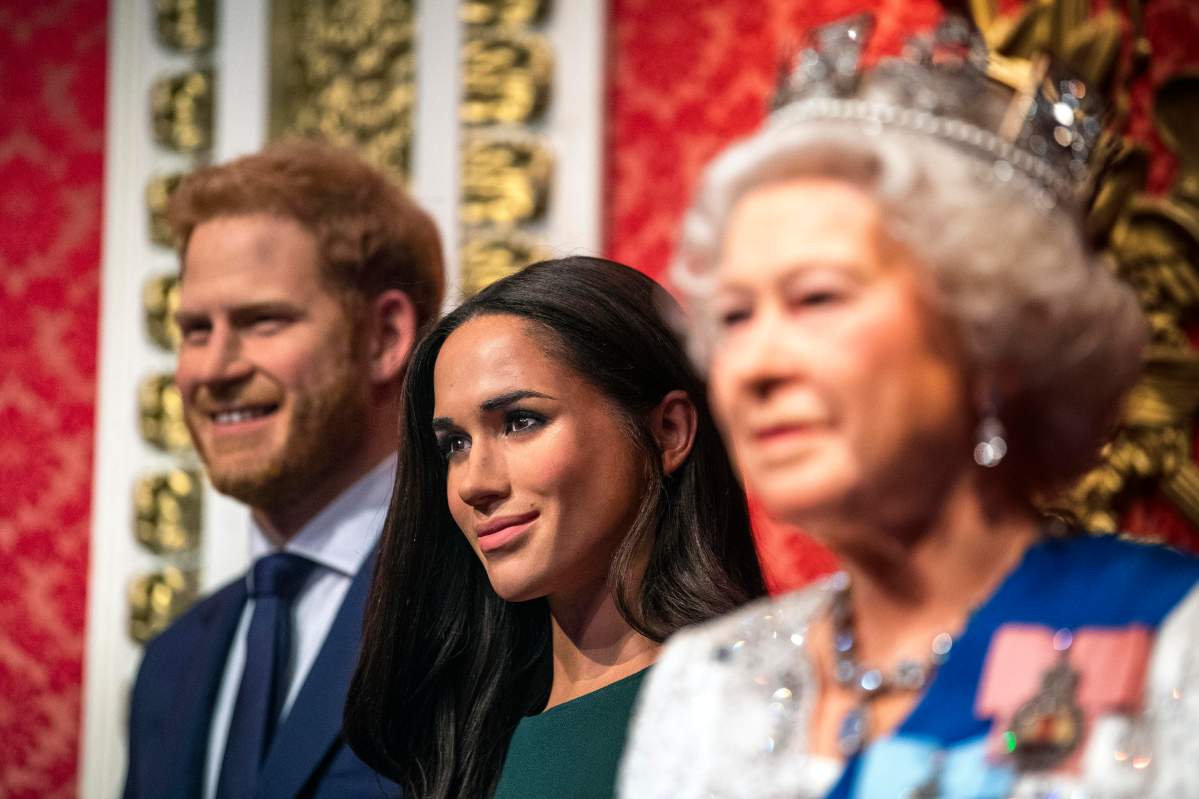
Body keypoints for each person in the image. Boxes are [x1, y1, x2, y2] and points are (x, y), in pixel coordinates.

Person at [619, 15, 1199, 799]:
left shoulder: (1172, 640)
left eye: (815, 298)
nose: (751, 365)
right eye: (733, 316)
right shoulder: (706, 689)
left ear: (988, 335)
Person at [342, 256, 767, 799]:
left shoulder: (761, 704)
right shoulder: (459, 740)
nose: (474, 483)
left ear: (668, 431)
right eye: (455, 445)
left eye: (521, 422)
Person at [122, 141, 444, 799]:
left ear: (384, 337)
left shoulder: (486, 615)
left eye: (261, 321)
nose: (214, 369)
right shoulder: (167, 665)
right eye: (195, 330)